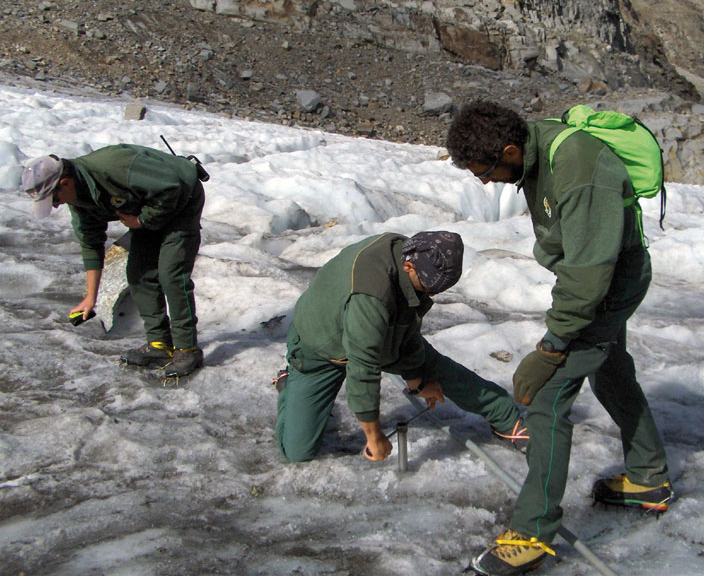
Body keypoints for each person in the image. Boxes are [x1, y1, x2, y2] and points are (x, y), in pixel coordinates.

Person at [446, 101, 672, 576]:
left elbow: (591, 274)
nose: (485, 182)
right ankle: (649, 478)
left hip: (608, 284)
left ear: (509, 149)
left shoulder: (577, 165)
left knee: (548, 398)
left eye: (486, 171)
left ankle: (532, 534)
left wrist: (549, 349)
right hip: (596, 278)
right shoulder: (533, 151)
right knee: (610, 371)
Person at [274, 230, 527, 463]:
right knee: (298, 452)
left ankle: (505, 418)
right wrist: (374, 437)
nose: (433, 294)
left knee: (441, 372)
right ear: (408, 266)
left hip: (384, 334)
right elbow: (363, 368)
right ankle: (289, 383)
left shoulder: (415, 254)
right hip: (322, 349)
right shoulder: (370, 296)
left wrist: (418, 384)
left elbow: (407, 328)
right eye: (430, 287)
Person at [21, 144, 207, 379]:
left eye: (54, 199)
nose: (57, 205)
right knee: (139, 274)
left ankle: (187, 349)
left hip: (181, 196)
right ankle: (159, 345)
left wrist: (142, 220)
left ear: (65, 183)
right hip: (146, 205)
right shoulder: (78, 200)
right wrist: (91, 297)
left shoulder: (114, 167)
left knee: (171, 274)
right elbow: (91, 245)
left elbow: (171, 188)